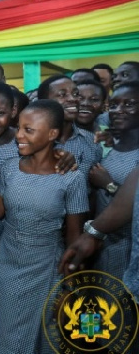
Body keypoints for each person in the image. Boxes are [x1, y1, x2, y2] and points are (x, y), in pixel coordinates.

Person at [0, 100, 88, 354]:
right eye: (19, 127)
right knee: (7, 335)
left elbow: (75, 239)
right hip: (8, 261)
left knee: (46, 334)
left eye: (28, 130)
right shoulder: (9, 168)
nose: (19, 135)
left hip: (47, 265)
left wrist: (70, 286)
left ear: (52, 134)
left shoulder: (72, 177)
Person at [89, 82, 139, 280]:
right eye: (114, 104)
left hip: (127, 247)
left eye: (129, 104)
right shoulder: (107, 144)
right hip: (101, 242)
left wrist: (108, 184)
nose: (119, 110)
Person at [37, 75, 102, 178]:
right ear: (44, 102)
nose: (72, 99)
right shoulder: (32, 142)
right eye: (62, 95)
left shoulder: (91, 141)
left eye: (76, 94)